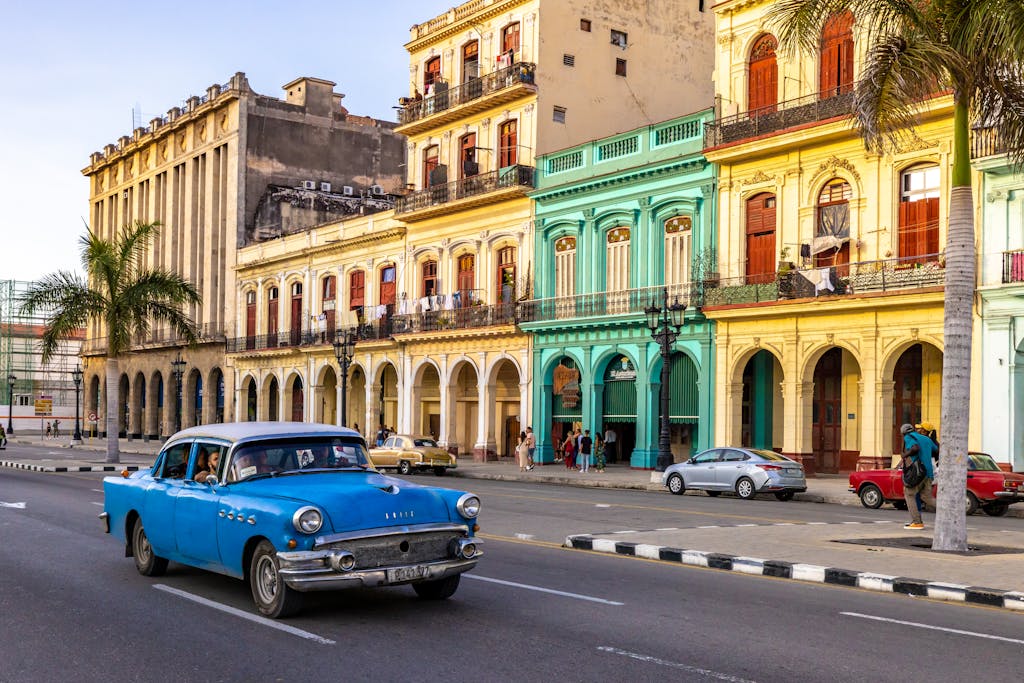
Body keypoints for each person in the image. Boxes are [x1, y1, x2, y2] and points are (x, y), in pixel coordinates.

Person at [900, 423, 937, 530]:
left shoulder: (909, 437)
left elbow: (915, 448)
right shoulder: (926, 439)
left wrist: (905, 455)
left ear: (903, 432)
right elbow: (936, 450)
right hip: (929, 472)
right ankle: (948, 511)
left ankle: (917, 522)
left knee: (909, 493)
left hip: (918, 471)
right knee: (927, 497)